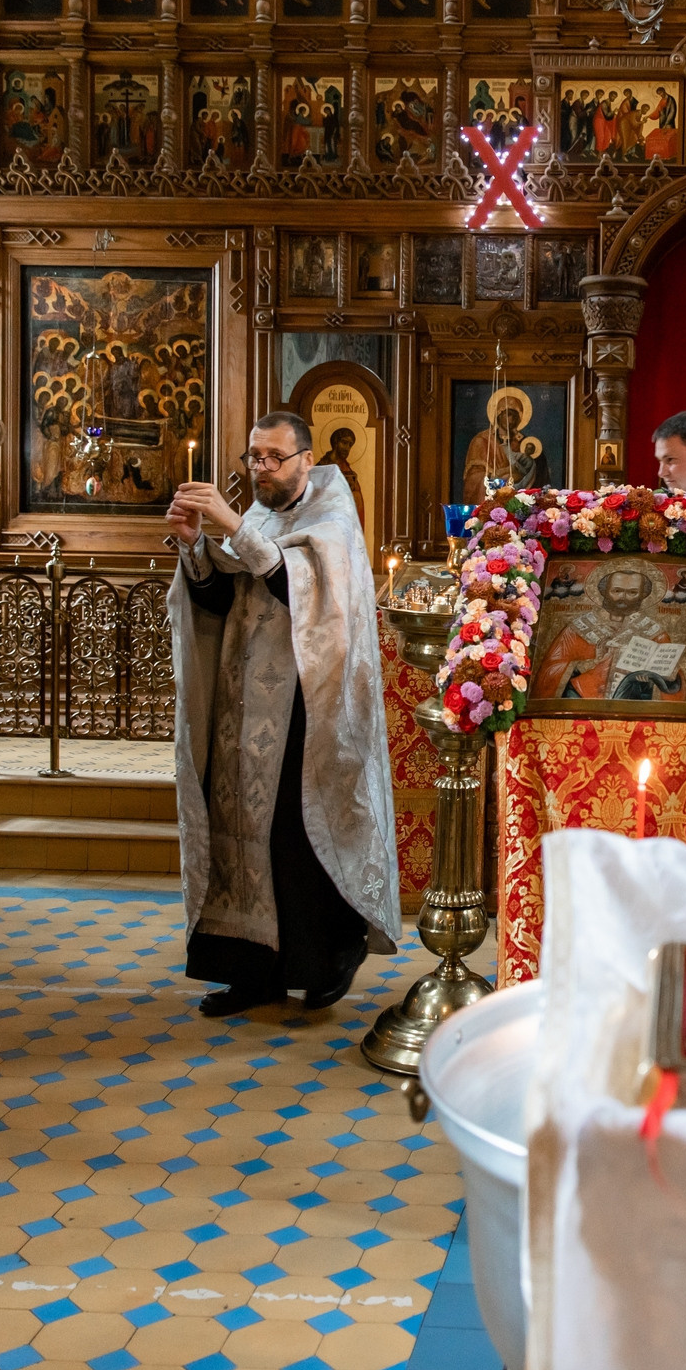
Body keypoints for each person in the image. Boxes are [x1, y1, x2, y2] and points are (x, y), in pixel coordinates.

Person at [165, 412, 403, 1018]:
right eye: (255, 457)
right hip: (240, 701)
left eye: (274, 457)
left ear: (306, 459)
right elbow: (217, 600)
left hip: (306, 706)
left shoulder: (332, 518)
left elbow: (303, 596)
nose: (262, 468)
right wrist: (195, 545)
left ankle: (324, 964)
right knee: (240, 832)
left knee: (296, 837)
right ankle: (251, 973)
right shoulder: (259, 517)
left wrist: (232, 527)